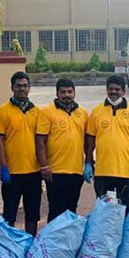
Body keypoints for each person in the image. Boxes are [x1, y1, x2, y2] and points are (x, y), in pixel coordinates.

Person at [85, 75, 129, 211]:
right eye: (111, 89)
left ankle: (122, 233)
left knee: (124, 210)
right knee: (104, 211)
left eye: (117, 89)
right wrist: (88, 162)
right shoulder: (96, 111)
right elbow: (90, 139)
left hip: (125, 171)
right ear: (106, 90)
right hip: (102, 171)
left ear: (123, 91)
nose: (114, 92)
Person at [0, 71, 41, 235]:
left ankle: (29, 244)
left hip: (33, 172)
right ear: (12, 88)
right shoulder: (3, 111)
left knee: (32, 214)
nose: (22, 89)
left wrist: (43, 165)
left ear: (29, 88)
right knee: (10, 214)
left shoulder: (37, 112)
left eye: (25, 86)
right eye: (18, 86)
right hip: (12, 173)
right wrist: (3, 167)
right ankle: (10, 247)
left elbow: (40, 142)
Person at [35, 78, 89, 221]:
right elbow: (40, 141)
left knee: (71, 210)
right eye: (63, 92)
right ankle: (52, 242)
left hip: (76, 171)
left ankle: (68, 242)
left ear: (74, 93)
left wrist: (89, 162)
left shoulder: (82, 113)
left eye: (70, 92)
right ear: (57, 93)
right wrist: (44, 166)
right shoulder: (47, 112)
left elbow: (87, 141)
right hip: (55, 172)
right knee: (56, 210)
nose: (67, 95)